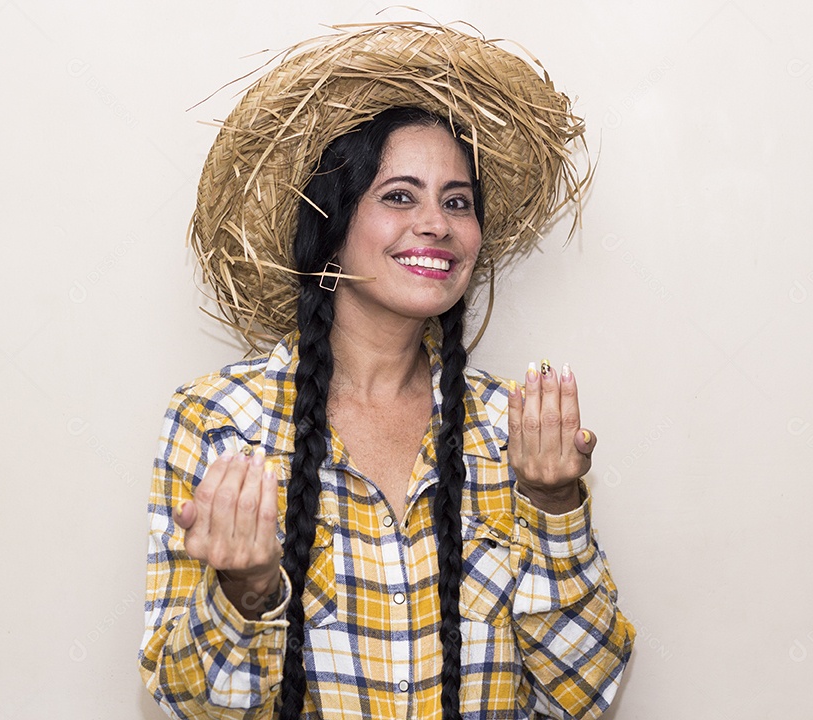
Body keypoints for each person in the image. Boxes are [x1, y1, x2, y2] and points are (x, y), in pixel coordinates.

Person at [140, 22, 634, 720]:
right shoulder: (220, 419)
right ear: (332, 224)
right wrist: (246, 589)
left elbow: (583, 693)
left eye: (457, 202)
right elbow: (190, 704)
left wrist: (554, 506)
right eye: (400, 196)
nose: (436, 223)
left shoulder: (510, 427)